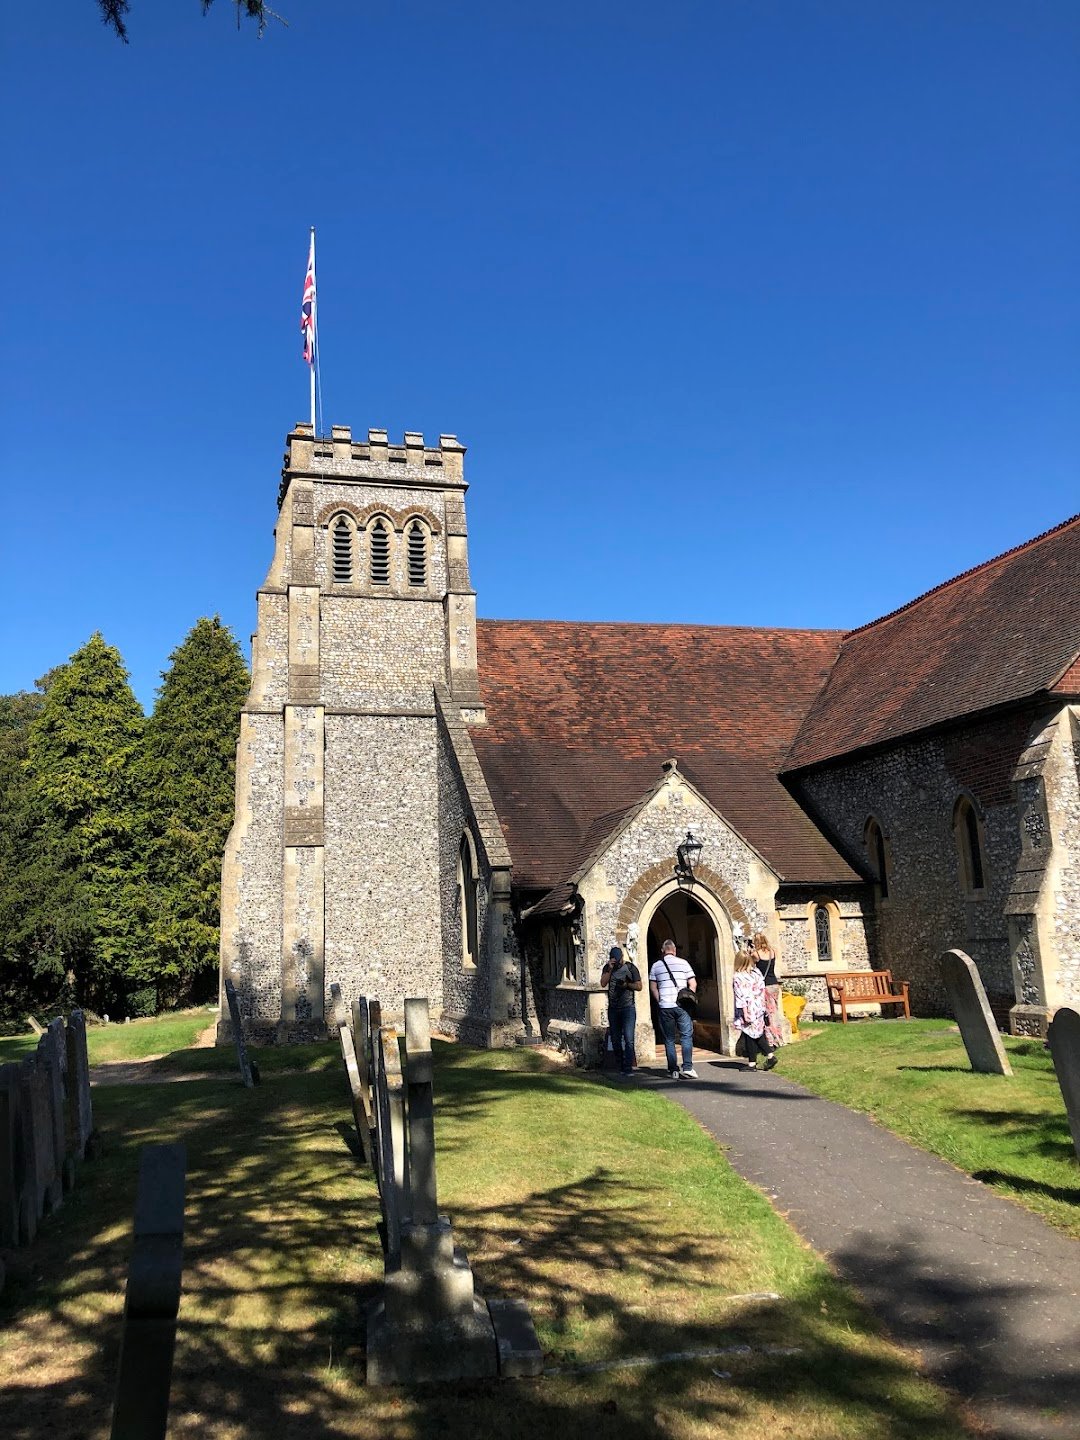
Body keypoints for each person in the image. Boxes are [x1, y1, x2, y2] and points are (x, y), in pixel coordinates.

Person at [649, 938, 698, 1079]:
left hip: (665, 1006)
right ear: (674, 950)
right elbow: (693, 983)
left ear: (662, 951)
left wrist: (660, 1001)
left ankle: (673, 1070)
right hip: (681, 1005)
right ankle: (688, 1067)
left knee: (669, 1039)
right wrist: (689, 998)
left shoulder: (656, 966)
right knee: (686, 1036)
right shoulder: (684, 963)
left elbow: (653, 987)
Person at [733, 947, 778, 1071]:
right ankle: (752, 1063)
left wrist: (745, 1013)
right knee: (751, 1034)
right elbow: (762, 989)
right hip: (759, 1007)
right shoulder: (756, 973)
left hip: (749, 1008)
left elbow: (741, 996)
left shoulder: (738, 977)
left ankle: (770, 1055)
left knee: (754, 1035)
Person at [600, 944, 642, 1076]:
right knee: (616, 1039)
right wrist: (610, 969)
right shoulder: (607, 968)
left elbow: (639, 986)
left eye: (618, 960)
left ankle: (628, 1067)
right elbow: (603, 983)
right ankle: (620, 1064)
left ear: (622, 958)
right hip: (613, 1008)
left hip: (628, 1008)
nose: (617, 963)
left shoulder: (630, 968)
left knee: (629, 1039)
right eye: (614, 960)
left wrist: (626, 985)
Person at [753, 931, 783, 1048]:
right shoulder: (772, 952)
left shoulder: (756, 954)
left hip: (765, 986)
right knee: (775, 1012)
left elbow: (750, 964)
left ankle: (771, 1041)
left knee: (767, 1014)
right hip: (774, 984)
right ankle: (779, 1037)